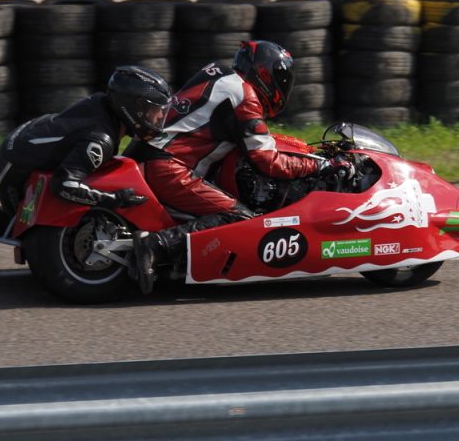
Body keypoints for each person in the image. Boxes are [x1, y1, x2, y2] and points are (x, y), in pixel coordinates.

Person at [125, 40, 353, 294]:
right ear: (265, 73)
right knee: (239, 217)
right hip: (168, 166)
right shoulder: (245, 95)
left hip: (150, 154)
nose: (283, 84)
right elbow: (268, 160)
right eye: (280, 76)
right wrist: (318, 165)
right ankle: (156, 246)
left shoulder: (218, 73)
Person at [0, 66, 172, 237]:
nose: (159, 117)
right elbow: (63, 184)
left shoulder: (104, 105)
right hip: (14, 166)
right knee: (25, 228)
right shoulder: (99, 140)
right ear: (132, 107)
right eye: (153, 110)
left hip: (21, 143)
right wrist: (114, 200)